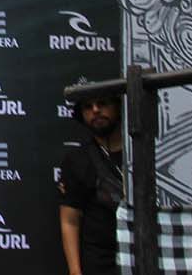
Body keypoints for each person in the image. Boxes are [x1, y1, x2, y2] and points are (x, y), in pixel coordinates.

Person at [57, 96, 124, 275]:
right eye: (88, 107)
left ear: (118, 108)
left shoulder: (145, 151)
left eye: (102, 103)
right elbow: (70, 220)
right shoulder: (76, 160)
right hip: (99, 262)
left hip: (144, 253)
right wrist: (75, 270)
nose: (95, 110)